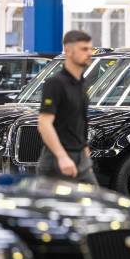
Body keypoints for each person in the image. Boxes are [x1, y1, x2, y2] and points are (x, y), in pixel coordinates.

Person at [36, 30, 98, 185]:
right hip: (57, 161)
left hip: (80, 159)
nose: (89, 53)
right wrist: (62, 156)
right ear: (68, 51)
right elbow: (44, 124)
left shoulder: (82, 84)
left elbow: (79, 122)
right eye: (84, 49)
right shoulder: (55, 83)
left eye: (90, 49)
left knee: (93, 204)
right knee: (55, 208)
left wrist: (86, 157)